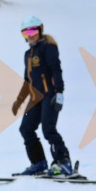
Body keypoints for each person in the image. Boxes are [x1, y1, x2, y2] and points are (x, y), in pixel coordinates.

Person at [11, 15, 73, 176]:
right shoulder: (28, 54)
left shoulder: (48, 47)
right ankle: (38, 163)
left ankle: (64, 163)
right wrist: (19, 100)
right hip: (35, 98)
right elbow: (27, 80)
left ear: (40, 29)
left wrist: (59, 92)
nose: (29, 35)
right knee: (26, 128)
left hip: (49, 94)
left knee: (48, 129)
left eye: (32, 31)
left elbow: (55, 68)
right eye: (25, 33)